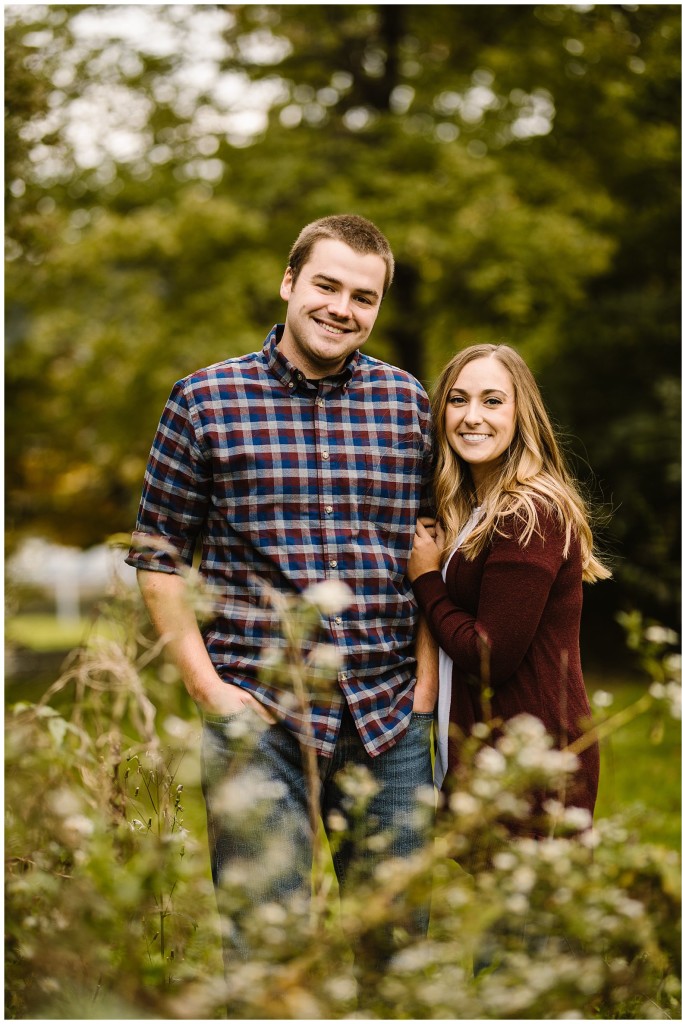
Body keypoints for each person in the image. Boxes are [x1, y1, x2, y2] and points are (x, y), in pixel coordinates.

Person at [126, 214, 437, 978]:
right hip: (259, 719)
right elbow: (158, 558)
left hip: (388, 718)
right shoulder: (204, 400)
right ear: (289, 283)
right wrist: (209, 692)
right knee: (266, 957)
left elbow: (433, 547)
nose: (342, 308)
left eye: (363, 297)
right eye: (326, 285)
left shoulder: (408, 405)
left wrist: (426, 685)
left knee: (398, 957)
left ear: (377, 307)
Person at [408, 343, 610, 827]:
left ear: (522, 413)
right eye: (458, 400)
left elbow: (489, 656)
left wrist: (427, 578)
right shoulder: (477, 507)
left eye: (492, 401)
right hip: (494, 753)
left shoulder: (530, 512)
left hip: (532, 761)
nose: (472, 416)